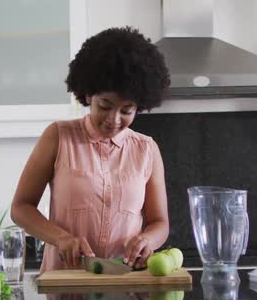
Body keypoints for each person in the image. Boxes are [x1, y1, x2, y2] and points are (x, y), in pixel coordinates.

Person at [11, 26, 170, 273]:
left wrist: (147, 241)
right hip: (66, 286)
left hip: (125, 290)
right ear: (88, 95)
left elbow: (160, 223)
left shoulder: (146, 150)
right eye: (105, 106)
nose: (113, 119)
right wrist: (61, 238)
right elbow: (21, 208)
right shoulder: (58, 136)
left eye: (126, 111)